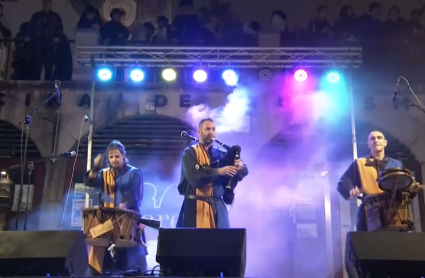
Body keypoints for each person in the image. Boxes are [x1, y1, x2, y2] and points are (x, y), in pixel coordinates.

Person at [84, 140, 147, 275]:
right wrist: (95, 168)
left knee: (131, 264)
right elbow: (90, 181)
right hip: (106, 223)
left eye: (117, 156)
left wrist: (121, 207)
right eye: (111, 157)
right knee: (100, 263)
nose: (114, 160)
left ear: (123, 156)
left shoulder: (134, 173)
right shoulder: (103, 173)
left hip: (128, 222)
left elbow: (134, 195)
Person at [337, 130, 420, 231]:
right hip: (369, 210)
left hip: (394, 211)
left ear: (385, 143)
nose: (376, 140)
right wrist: (350, 190)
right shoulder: (359, 163)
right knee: (367, 244)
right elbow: (344, 181)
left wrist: (412, 188)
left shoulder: (397, 164)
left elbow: (406, 188)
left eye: (379, 138)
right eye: (372, 138)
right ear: (368, 144)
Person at [176, 118, 249, 228]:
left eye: (213, 129)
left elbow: (245, 170)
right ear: (199, 132)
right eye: (207, 129)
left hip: (218, 208)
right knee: (193, 243)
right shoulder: (190, 153)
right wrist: (219, 171)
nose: (211, 132)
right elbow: (195, 177)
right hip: (194, 207)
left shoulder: (220, 154)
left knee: (222, 243)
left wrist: (240, 167)